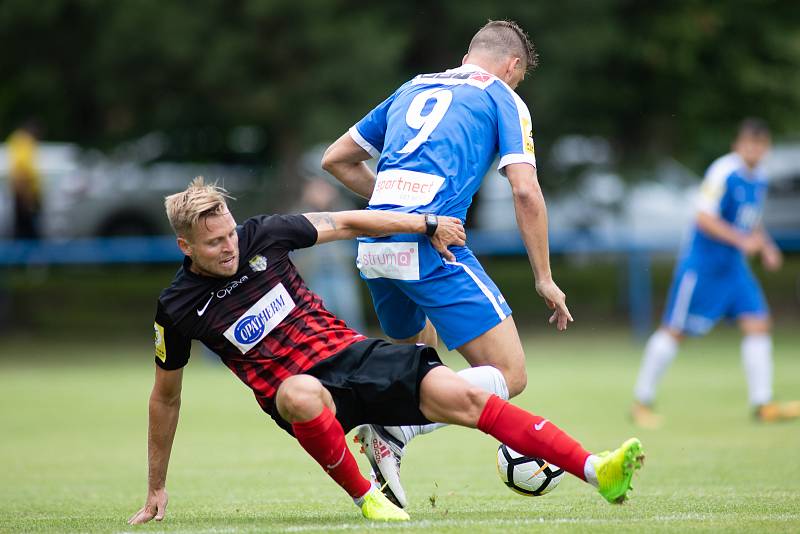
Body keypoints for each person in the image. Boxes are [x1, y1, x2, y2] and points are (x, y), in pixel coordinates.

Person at [128, 178, 644, 525]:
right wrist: (156, 486)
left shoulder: (262, 234)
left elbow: (350, 222)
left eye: (228, 234)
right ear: (185, 246)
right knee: (299, 392)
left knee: (473, 397)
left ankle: (598, 470)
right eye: (214, 242)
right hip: (305, 395)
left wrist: (423, 223)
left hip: (355, 356)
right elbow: (165, 398)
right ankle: (366, 497)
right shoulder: (176, 308)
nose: (229, 247)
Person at [321, 19, 570, 506]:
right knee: (510, 374)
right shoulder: (502, 95)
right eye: (518, 77)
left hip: (376, 247)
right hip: (431, 246)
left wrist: (392, 205)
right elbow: (525, 190)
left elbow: (335, 158)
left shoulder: (414, 86)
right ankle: (393, 427)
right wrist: (544, 276)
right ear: (513, 66)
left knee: (418, 352)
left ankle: (388, 440)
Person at [631, 119, 800, 429]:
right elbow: (703, 218)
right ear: (737, 145)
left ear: (767, 148)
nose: (754, 149)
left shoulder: (760, 177)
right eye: (749, 143)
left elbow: (751, 221)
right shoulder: (724, 171)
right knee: (675, 330)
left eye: (760, 144)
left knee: (758, 323)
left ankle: (762, 404)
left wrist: (766, 245)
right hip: (703, 267)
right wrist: (743, 240)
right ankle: (641, 401)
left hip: (734, 268)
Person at [6, 123, 42, 239]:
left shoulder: (17, 142)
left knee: (22, 230)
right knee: (27, 232)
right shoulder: (24, 142)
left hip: (22, 195)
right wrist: (28, 198)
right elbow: (22, 172)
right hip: (25, 195)